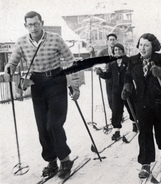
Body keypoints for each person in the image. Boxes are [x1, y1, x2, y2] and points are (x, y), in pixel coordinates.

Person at [4, 11, 80, 179]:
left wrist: (75, 85)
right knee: (42, 127)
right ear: (26, 26)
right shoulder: (22, 42)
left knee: (53, 124)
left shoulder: (55, 39)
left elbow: (70, 61)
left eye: (36, 24)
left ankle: (65, 160)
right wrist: (9, 69)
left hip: (56, 82)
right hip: (37, 85)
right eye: (29, 24)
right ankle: (51, 161)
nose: (33, 27)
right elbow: (13, 61)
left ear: (42, 23)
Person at [121, 33, 161, 179]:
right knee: (144, 131)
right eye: (140, 45)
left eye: (146, 45)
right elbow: (128, 76)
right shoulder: (133, 60)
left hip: (159, 100)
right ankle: (145, 162)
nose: (142, 48)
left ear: (153, 46)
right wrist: (127, 86)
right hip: (142, 101)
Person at [96, 43, 138, 140]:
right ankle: (116, 130)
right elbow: (109, 75)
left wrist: (130, 84)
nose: (117, 52)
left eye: (119, 50)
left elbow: (134, 73)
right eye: (115, 50)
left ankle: (135, 123)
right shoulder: (112, 63)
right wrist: (101, 74)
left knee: (131, 106)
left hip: (128, 89)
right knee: (116, 110)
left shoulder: (128, 61)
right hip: (116, 89)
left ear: (123, 51)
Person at [98, 33, 117, 113]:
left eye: (113, 40)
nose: (112, 41)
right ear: (107, 41)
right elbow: (98, 62)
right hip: (108, 76)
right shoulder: (103, 52)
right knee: (110, 97)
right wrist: (99, 70)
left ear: (116, 41)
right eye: (110, 40)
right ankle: (115, 113)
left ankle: (119, 113)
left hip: (119, 76)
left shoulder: (119, 50)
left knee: (118, 96)